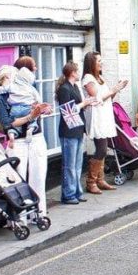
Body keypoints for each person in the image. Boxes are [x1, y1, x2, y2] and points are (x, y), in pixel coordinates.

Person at [6, 56, 51, 216]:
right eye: (34, 66)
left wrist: (43, 110)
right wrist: (30, 115)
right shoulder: (10, 90)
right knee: (18, 179)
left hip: (36, 137)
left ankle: (39, 213)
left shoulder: (32, 89)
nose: (36, 69)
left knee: (38, 177)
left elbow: (36, 111)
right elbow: (7, 119)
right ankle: (19, 218)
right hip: (17, 141)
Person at [82, 51, 128, 193]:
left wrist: (117, 89)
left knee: (104, 148)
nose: (102, 63)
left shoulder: (99, 77)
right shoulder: (88, 78)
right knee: (101, 149)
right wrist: (114, 89)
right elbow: (97, 97)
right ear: (92, 63)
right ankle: (91, 182)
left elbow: (107, 97)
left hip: (104, 115)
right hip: (96, 117)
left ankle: (100, 180)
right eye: (99, 60)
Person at [56, 62, 95, 205]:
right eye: (77, 71)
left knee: (77, 164)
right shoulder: (64, 89)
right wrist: (83, 104)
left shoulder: (74, 87)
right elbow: (67, 111)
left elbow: (78, 107)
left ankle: (77, 192)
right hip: (68, 131)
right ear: (72, 72)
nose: (79, 73)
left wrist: (87, 103)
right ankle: (68, 194)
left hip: (78, 129)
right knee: (69, 165)